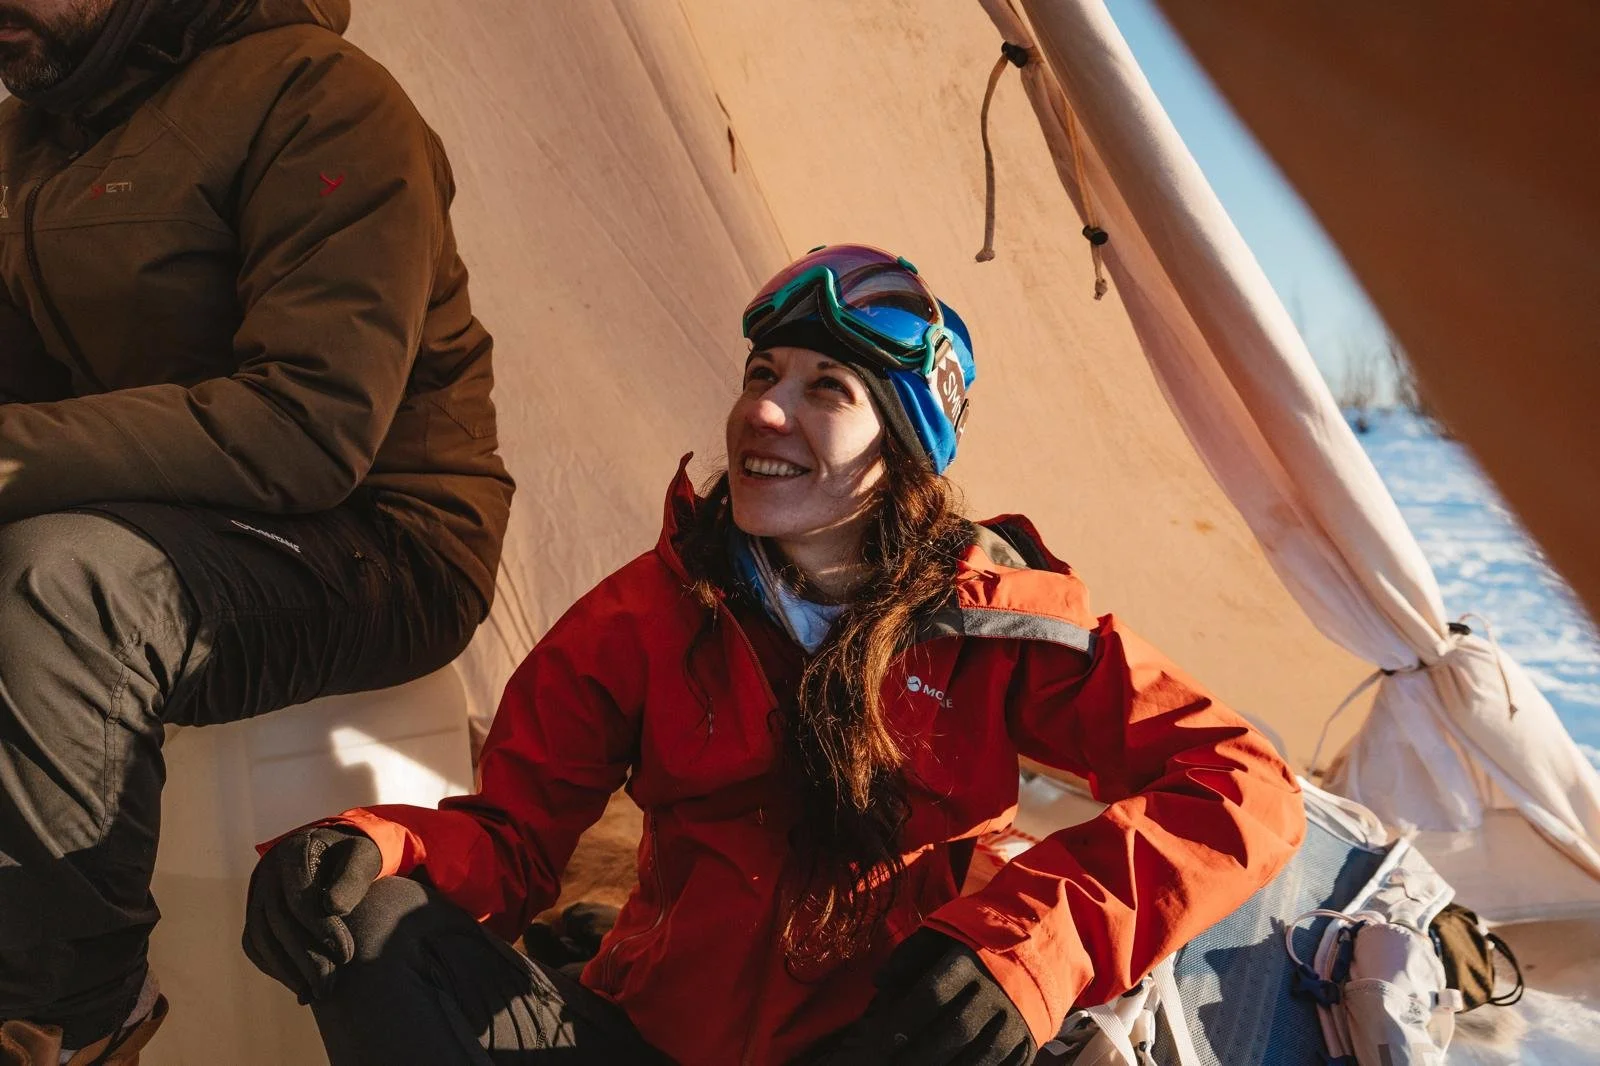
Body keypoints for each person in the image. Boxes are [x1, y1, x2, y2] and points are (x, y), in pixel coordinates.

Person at [242, 245, 1304, 1066]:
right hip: (648, 1037)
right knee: (372, 923)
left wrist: (1034, 947)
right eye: (762, 372)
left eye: (826, 389)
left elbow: (1243, 784)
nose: (762, 409)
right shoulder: (648, 613)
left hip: (870, 1046)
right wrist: (377, 847)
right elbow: (514, 840)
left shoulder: (994, 624)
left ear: (901, 449)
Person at [0, 1, 512, 1062]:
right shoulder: (46, 131)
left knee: (58, 589)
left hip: (382, 534)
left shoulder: (322, 98)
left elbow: (310, 425)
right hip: (178, 513)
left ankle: (76, 1019)